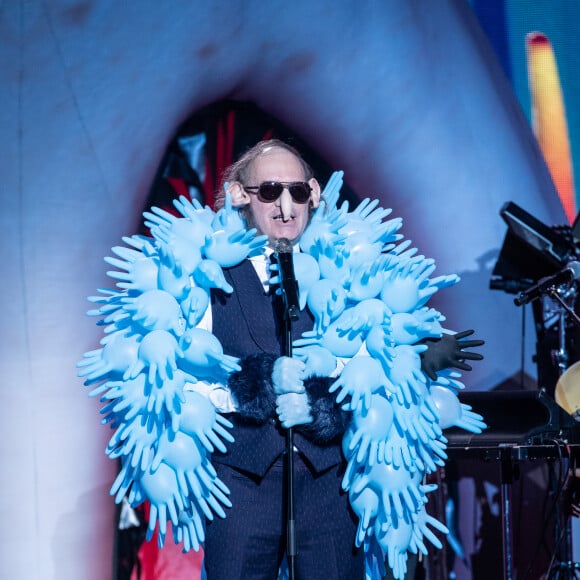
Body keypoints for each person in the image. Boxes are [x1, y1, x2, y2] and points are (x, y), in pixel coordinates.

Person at [197, 139, 484, 579]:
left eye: (298, 191)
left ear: (314, 193)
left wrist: (417, 358)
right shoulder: (209, 276)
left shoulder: (346, 270)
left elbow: (372, 359)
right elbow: (189, 380)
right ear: (240, 194)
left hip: (327, 483)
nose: (286, 206)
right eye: (270, 191)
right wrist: (257, 384)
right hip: (244, 485)